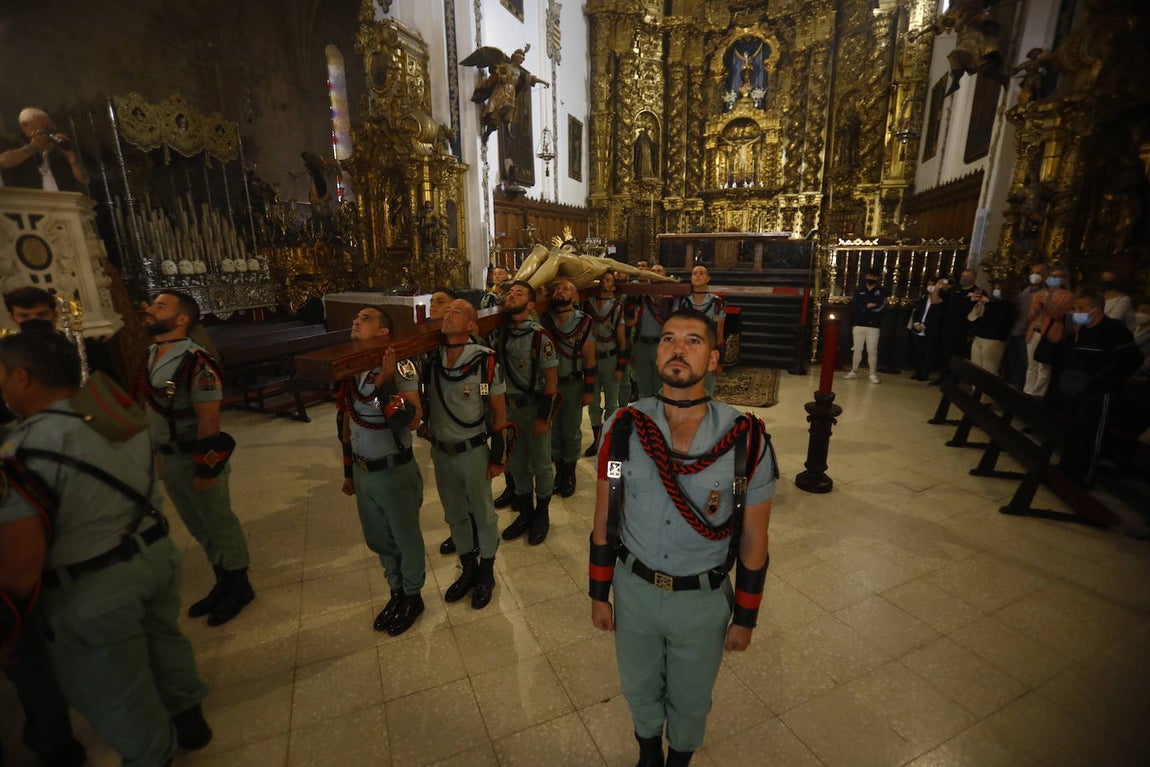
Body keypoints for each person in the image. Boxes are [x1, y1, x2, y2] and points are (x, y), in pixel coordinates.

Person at [0, 332, 211, 765]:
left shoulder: (25, 448)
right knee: (166, 643)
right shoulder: (118, 416)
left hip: (93, 587)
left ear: (22, 378)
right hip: (155, 556)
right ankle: (190, 718)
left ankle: (152, 756)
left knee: (117, 686)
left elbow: (22, 565)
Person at [589, 308, 776, 767]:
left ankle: (680, 760)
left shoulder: (745, 440)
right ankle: (649, 753)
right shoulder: (624, 429)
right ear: (656, 356)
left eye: (693, 341)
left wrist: (746, 618)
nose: (678, 347)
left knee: (692, 698)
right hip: (634, 590)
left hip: (702, 599)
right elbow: (605, 515)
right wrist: (599, 593)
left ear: (713, 359)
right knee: (637, 685)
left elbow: (754, 539)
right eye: (669, 338)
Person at [140, 291, 254, 626]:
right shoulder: (150, 354)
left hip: (197, 454)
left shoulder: (196, 360)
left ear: (181, 319)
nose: (150, 309)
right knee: (196, 523)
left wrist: (206, 469)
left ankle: (240, 584)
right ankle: (222, 580)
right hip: (170, 456)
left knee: (218, 520)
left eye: (160, 306)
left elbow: (209, 420)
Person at [336, 307, 426, 635]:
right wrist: (349, 471)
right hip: (364, 472)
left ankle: (413, 595)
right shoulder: (351, 369)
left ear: (384, 333)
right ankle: (396, 590)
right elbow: (348, 424)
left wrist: (385, 388)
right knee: (378, 539)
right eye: (355, 318)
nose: (355, 321)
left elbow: (415, 420)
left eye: (366, 319)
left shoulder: (398, 366)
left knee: (405, 539)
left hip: (393, 471)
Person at [422, 299, 509, 609]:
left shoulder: (485, 361)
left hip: (473, 451)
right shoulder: (430, 359)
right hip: (442, 453)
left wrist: (498, 457)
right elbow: (401, 399)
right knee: (455, 514)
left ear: (472, 325)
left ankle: (487, 571)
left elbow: (498, 412)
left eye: (457, 311)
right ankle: (467, 568)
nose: (448, 314)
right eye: (447, 311)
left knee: (484, 515)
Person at [493, 281, 559, 545]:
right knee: (517, 463)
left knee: (542, 464)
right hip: (509, 409)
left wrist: (544, 417)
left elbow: (551, 380)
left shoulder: (539, 336)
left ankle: (542, 514)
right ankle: (525, 512)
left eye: (519, 293)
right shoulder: (502, 332)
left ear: (531, 305)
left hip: (533, 409)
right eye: (510, 292)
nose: (512, 295)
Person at [1057, 294, 1144, 485]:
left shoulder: (1114, 330)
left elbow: (1133, 359)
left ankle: (1083, 475)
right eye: (1075, 308)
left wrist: (1104, 381)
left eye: (1080, 308)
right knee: (1072, 428)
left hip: (1100, 391)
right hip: (1076, 389)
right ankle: (1067, 467)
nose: (1076, 312)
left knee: (1090, 432)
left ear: (1095, 309)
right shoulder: (1085, 330)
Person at [542, 278, 597, 498]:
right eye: (556, 288)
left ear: (574, 297)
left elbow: (590, 359)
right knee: (553, 429)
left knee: (571, 430)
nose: (559, 291)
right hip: (549, 386)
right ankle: (559, 472)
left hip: (572, 383)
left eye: (565, 289)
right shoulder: (545, 320)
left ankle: (570, 472)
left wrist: (589, 390)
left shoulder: (583, 322)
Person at [4, 286, 120, 384]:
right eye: (24, 316)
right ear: (13, 318)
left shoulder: (90, 349)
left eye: (42, 314)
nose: (34, 321)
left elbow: (112, 392)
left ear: (55, 315)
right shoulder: (7, 356)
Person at [583, 270, 629, 456]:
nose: (605, 282)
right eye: (602, 278)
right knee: (593, 403)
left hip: (610, 358)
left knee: (612, 403)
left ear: (613, 287)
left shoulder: (616, 307)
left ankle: (608, 440)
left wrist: (620, 367)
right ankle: (597, 439)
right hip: (592, 359)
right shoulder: (588, 305)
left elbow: (623, 341)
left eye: (609, 280)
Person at [0, 108, 88, 192]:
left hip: (64, 202)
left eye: (49, 127)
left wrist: (70, 154)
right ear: (25, 125)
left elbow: (84, 180)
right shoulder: (13, 144)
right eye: (42, 126)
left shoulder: (57, 151)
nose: (47, 130)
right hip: (31, 202)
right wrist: (33, 147)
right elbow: (3, 162)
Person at [1023, 266, 1074, 399]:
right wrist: (1036, 310)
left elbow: (1061, 317)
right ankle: (1026, 393)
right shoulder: (1039, 294)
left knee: (1044, 368)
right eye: (1052, 276)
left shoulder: (1067, 296)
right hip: (1034, 332)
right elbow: (1029, 317)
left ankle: (1037, 396)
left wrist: (1049, 303)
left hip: (1049, 334)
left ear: (1063, 280)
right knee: (1031, 366)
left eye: (1058, 276)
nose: (1053, 279)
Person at [677, 265, 726, 395]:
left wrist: (718, 360)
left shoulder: (717, 303)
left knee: (706, 392)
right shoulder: (682, 301)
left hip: (707, 352)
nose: (698, 276)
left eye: (702, 273)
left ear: (708, 278)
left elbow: (719, 333)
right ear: (691, 278)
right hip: (685, 352)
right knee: (684, 390)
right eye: (695, 273)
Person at [1007, 263, 1048, 389]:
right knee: (1013, 364)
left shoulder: (1044, 293)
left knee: (1026, 366)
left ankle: (1021, 393)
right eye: (1033, 273)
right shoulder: (1026, 290)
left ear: (1045, 276)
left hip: (1028, 334)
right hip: (1016, 331)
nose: (1034, 276)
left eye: (1039, 273)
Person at [934, 268, 979, 384]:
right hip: (948, 328)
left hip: (964, 331)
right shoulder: (954, 290)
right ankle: (943, 377)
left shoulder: (977, 292)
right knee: (945, 354)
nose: (964, 278)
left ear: (974, 278)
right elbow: (936, 301)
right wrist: (937, 289)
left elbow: (979, 314)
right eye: (963, 276)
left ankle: (955, 381)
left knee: (959, 357)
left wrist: (972, 332)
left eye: (967, 276)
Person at [845, 269, 886, 383]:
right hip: (859, 324)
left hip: (874, 326)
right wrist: (866, 306)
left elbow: (881, 305)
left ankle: (872, 373)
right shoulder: (859, 290)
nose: (871, 278)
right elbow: (855, 305)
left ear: (877, 278)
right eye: (870, 276)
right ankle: (854, 371)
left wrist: (867, 307)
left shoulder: (881, 291)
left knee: (872, 350)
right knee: (857, 349)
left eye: (874, 277)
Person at [967, 280, 1015, 376]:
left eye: (999, 289)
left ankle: (986, 391)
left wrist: (989, 303)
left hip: (994, 340)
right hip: (979, 337)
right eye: (995, 288)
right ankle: (975, 389)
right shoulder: (990, 303)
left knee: (989, 370)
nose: (996, 291)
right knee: (975, 368)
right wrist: (980, 302)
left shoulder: (1009, 305)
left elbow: (1000, 320)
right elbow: (975, 318)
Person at [908, 277, 945, 381]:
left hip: (930, 329)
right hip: (918, 328)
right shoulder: (923, 298)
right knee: (918, 351)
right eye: (928, 285)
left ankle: (924, 373)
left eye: (932, 285)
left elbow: (936, 316)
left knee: (927, 352)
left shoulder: (939, 300)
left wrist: (924, 325)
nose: (930, 287)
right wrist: (916, 323)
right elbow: (917, 312)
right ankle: (917, 371)